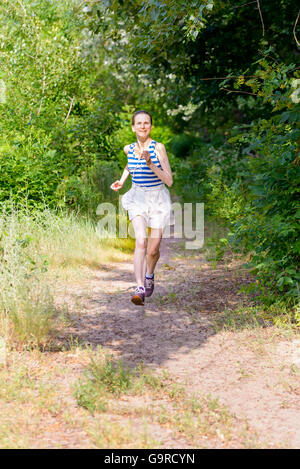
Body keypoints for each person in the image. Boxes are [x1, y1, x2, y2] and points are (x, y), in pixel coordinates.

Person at [110, 110, 174, 306]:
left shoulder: (159, 148)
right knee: (140, 241)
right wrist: (122, 181)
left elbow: (169, 181)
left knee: (153, 250)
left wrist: (150, 163)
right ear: (133, 127)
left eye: (146, 122)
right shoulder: (128, 149)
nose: (143, 126)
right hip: (137, 197)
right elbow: (130, 166)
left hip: (158, 198)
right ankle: (139, 288)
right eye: (139, 123)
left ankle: (149, 275)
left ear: (151, 126)